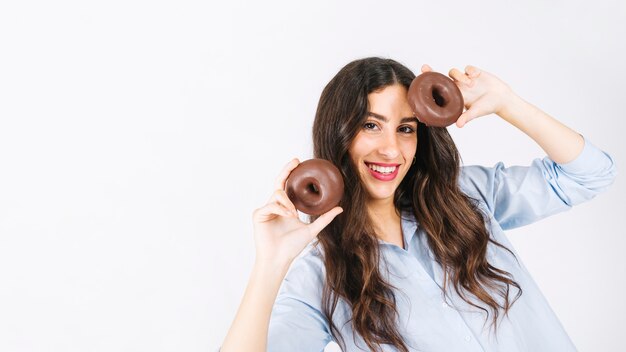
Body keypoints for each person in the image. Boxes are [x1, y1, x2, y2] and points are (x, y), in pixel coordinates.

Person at [220, 57, 616, 351]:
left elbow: (591, 173)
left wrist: (507, 103)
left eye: (405, 128)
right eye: (370, 125)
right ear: (339, 134)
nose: (391, 149)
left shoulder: (465, 197)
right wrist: (270, 263)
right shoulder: (320, 276)